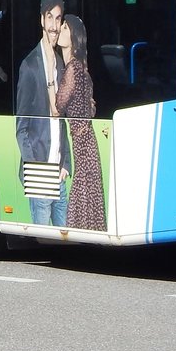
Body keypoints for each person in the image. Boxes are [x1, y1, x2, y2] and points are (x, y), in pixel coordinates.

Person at [15, 0, 70, 226]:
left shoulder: (59, 63)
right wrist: (35, 168)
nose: (54, 26)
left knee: (65, 237)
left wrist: (65, 164)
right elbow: (21, 127)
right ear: (41, 20)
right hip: (40, 172)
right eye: (50, 17)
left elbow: (62, 122)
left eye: (58, 19)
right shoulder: (30, 66)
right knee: (43, 238)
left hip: (58, 172)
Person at [56, 14, 106, 230]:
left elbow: (59, 104)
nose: (60, 30)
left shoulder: (72, 69)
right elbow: (91, 106)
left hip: (82, 142)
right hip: (86, 141)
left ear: (74, 36)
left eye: (65, 27)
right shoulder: (80, 68)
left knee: (82, 189)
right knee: (86, 191)